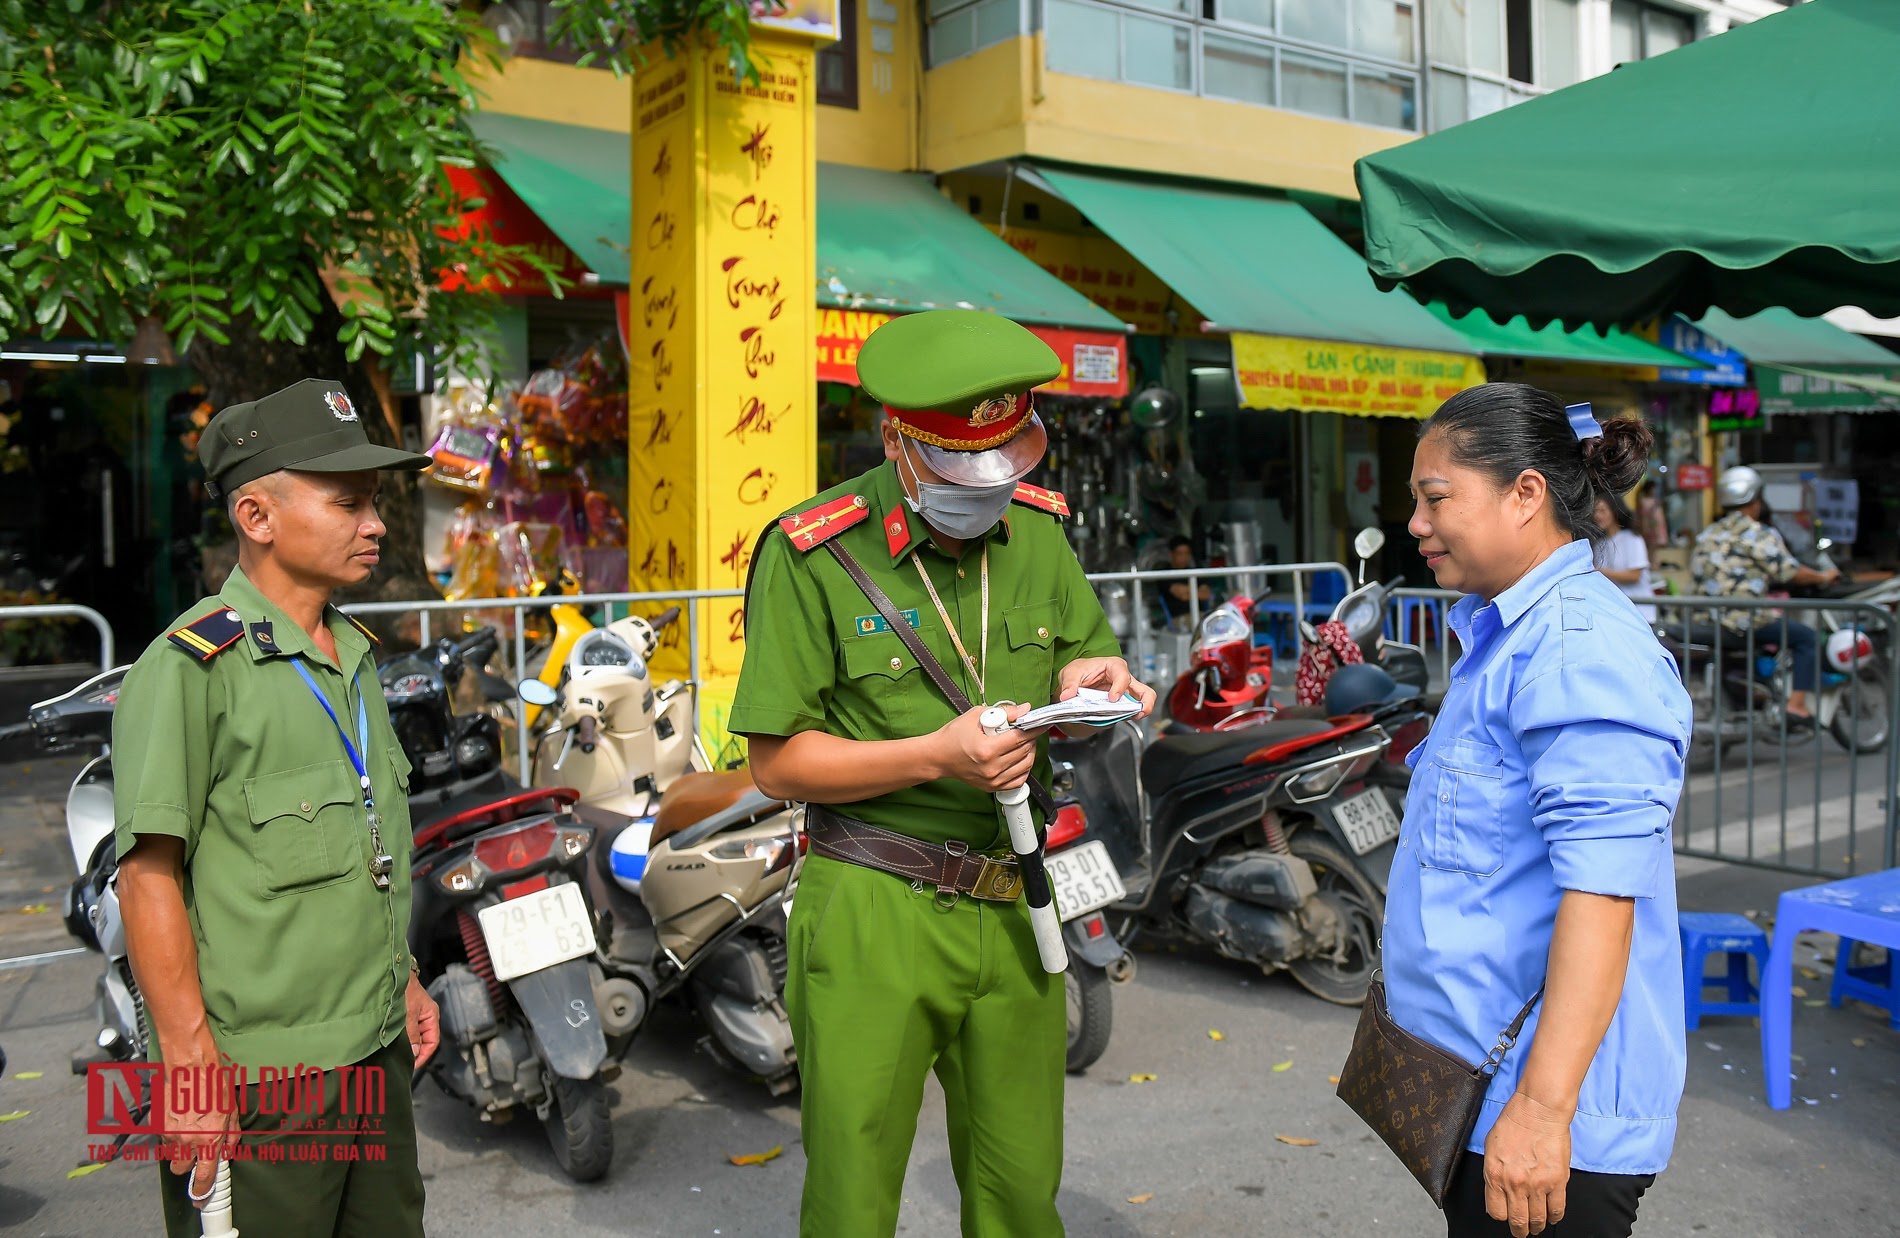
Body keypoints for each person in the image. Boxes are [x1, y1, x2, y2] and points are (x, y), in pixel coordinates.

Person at [730, 309, 1155, 1238]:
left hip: (1018, 898)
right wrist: (936, 755)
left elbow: (1081, 656)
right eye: (965, 468)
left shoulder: (1038, 533)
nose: (990, 488)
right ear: (898, 440)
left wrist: (1094, 683)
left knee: (1020, 1195)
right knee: (854, 1199)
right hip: (876, 899)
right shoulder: (814, 553)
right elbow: (775, 762)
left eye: (1008, 463)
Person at [114, 379, 440, 1237]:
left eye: (375, 503)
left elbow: (366, 838)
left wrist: (400, 977)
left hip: (372, 1056)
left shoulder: (357, 657)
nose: (374, 524)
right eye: (347, 503)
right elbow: (147, 877)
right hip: (257, 1084)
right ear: (256, 517)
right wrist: (188, 1072)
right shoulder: (190, 668)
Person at [1394, 385, 1691, 1238]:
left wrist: (1542, 1110)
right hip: (1481, 1094)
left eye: (1435, 497)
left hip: (1537, 1115)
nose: (1416, 521)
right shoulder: (1509, 634)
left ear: (1525, 494)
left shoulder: (1577, 651)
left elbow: (1602, 896)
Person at [1689, 466, 1840, 726]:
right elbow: (1789, 571)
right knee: (1807, 638)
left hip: (1705, 618)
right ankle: (1796, 705)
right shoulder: (1757, 533)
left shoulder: (1709, 533)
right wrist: (1824, 577)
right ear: (1756, 501)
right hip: (1743, 620)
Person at [1592, 493, 1657, 623]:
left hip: (1641, 613)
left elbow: (1635, 575)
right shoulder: (1600, 544)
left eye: (1602, 511)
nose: (1597, 516)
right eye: (1595, 511)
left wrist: (1600, 572)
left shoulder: (1632, 539)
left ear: (1614, 511)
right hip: (1616, 615)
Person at [1157, 533, 1218, 627]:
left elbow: (1206, 594)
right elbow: (1181, 595)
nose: (1184, 558)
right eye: (1180, 554)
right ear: (1171, 554)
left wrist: (1188, 592)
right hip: (1179, 619)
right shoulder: (1165, 574)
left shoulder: (1194, 572)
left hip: (1201, 615)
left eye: (1187, 553)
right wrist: (1197, 592)